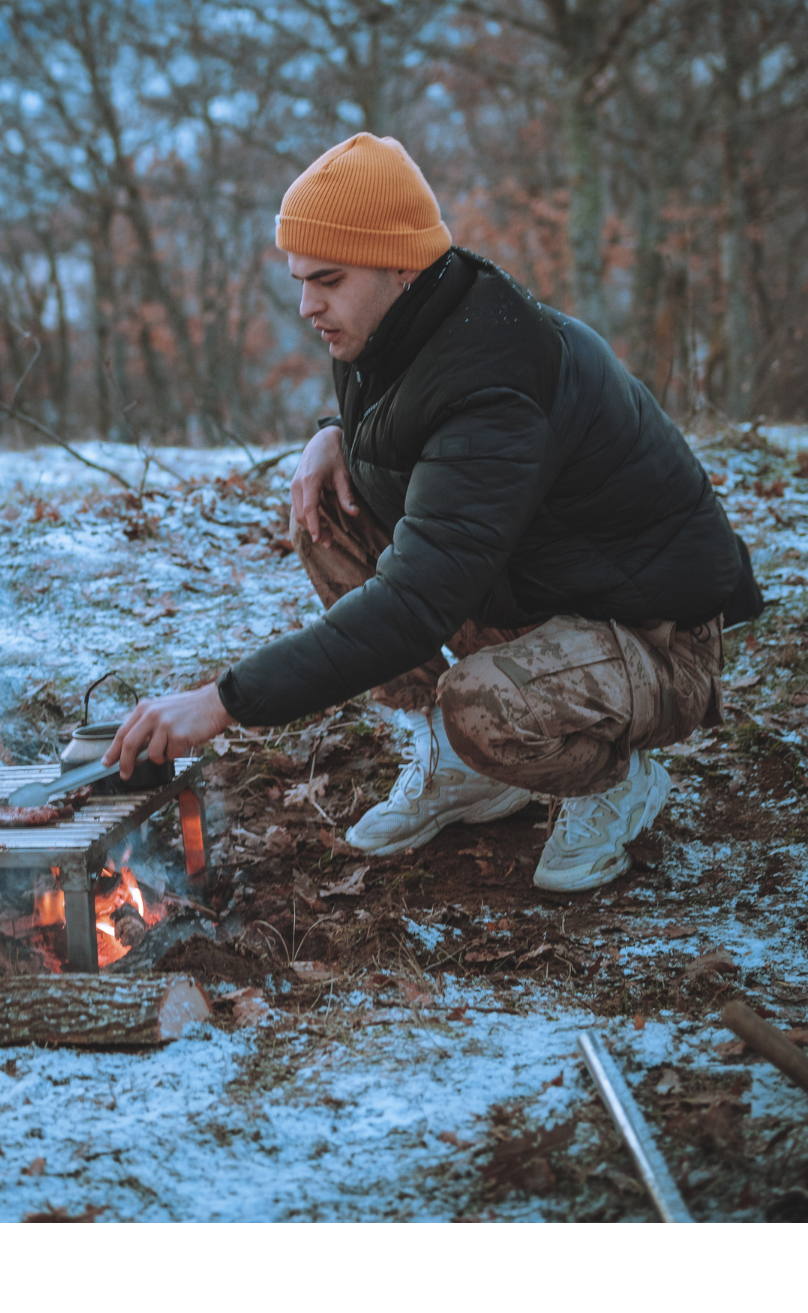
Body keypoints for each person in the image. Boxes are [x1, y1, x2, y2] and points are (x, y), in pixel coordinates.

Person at [103, 133, 761, 893]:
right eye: (301, 281)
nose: (307, 306)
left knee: (480, 705)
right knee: (329, 516)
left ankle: (615, 782)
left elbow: (416, 603)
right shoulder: (396, 329)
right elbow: (421, 441)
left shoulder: (495, 383)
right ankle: (461, 768)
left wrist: (224, 701)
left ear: (401, 265)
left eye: (328, 280)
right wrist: (333, 435)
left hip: (654, 639)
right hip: (542, 594)